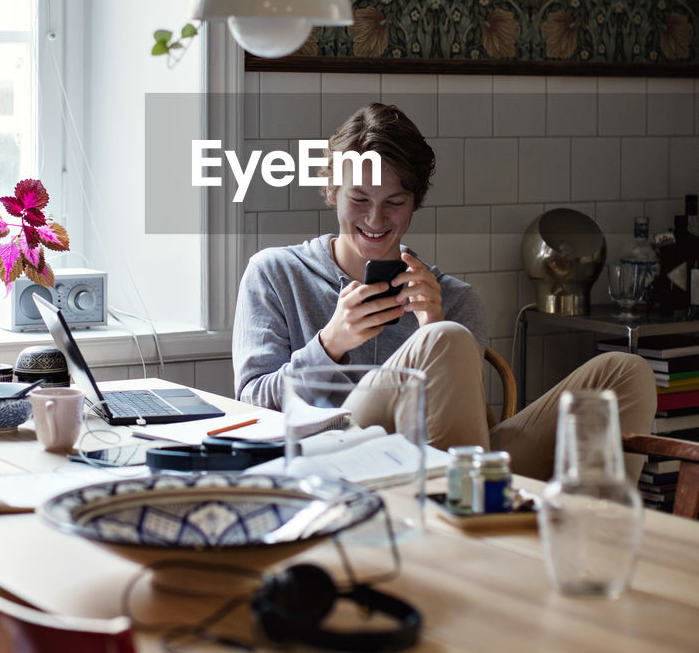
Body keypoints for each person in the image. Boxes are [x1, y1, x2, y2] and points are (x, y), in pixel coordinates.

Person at [232, 102, 656, 483]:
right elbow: (250, 406)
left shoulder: (453, 298)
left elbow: (467, 427)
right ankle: (468, 527)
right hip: (337, 458)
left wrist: (431, 328)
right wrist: (330, 344)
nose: (376, 218)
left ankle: (591, 544)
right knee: (445, 338)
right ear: (331, 192)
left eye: (394, 202)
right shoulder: (276, 273)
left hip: (451, 465)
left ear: (415, 203)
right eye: (359, 198)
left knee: (626, 372)